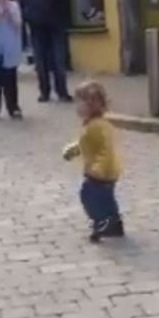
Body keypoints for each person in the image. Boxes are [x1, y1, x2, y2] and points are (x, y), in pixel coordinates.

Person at [62, 81, 123, 242]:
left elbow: (106, 149)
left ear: (91, 105)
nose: (77, 107)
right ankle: (114, 224)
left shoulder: (98, 126)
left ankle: (101, 222)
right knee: (106, 198)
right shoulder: (91, 125)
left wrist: (98, 168)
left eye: (79, 103)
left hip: (102, 172)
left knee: (89, 196)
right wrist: (73, 151)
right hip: (104, 171)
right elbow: (87, 144)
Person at [18, 0, 72, 103]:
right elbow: (20, 8)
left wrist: (61, 23)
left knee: (59, 62)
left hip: (55, 29)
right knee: (40, 64)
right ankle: (44, 92)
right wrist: (28, 19)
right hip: (37, 31)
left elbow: (64, 6)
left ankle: (62, 92)